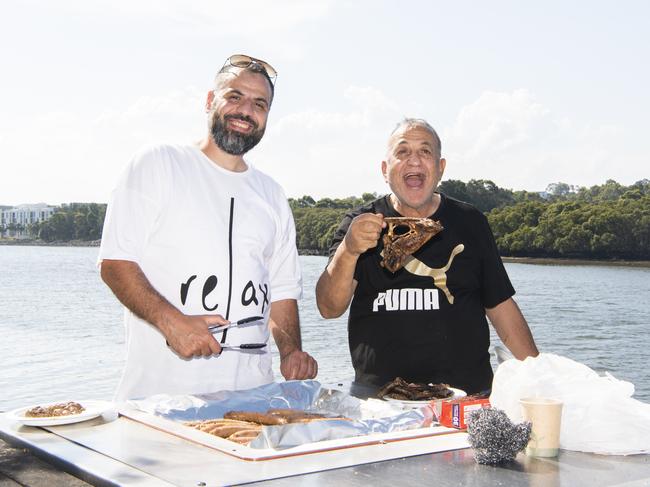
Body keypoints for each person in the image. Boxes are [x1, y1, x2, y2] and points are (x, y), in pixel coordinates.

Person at [99, 54, 317, 401]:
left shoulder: (272, 194)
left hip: (255, 401)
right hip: (161, 401)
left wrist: (290, 351)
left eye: (259, 104)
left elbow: (283, 289)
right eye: (234, 96)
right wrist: (172, 323)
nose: (246, 111)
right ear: (208, 101)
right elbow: (115, 263)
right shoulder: (160, 162)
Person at [315, 118, 537, 394]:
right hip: (380, 400)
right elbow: (329, 308)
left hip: (466, 398)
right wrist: (348, 250)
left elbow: (501, 307)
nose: (415, 161)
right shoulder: (359, 223)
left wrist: (539, 378)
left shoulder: (471, 222)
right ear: (385, 170)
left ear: (440, 168)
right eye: (403, 151)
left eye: (425, 151)